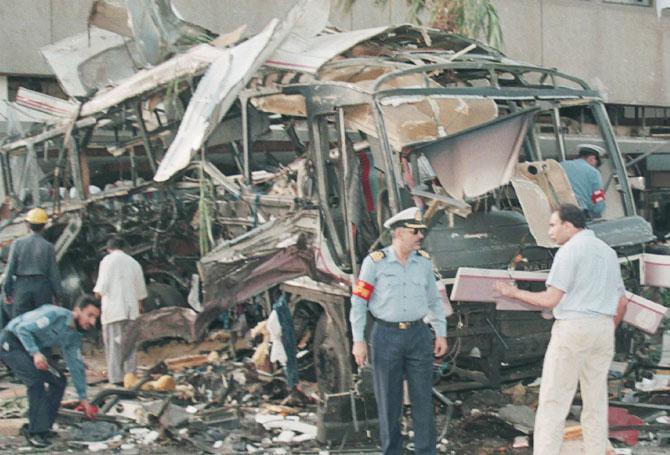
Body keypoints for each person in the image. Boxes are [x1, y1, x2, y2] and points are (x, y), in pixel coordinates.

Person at [495, 204, 628, 455]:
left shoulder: (569, 252)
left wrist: (511, 292)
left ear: (568, 225)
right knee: (596, 400)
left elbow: (549, 300)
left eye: (553, 225)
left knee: (554, 399)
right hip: (603, 329)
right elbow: (623, 302)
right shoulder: (608, 252)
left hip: (573, 328)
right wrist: (604, 327)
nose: (550, 231)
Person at [350, 207, 448, 455]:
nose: (420, 237)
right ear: (399, 233)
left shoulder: (424, 262)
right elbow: (359, 302)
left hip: (418, 335)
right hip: (386, 337)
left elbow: (434, 301)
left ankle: (426, 451)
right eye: (415, 232)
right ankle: (392, 451)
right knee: (389, 401)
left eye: (421, 232)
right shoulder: (374, 263)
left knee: (423, 399)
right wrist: (358, 340)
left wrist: (440, 332)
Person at [0, 297, 100, 448]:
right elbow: (22, 329)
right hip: (12, 342)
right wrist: (35, 353)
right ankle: (34, 432)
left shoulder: (74, 335)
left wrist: (83, 398)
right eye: (90, 315)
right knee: (35, 381)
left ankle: (44, 427)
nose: (92, 322)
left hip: (33, 351)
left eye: (95, 318)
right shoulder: (53, 314)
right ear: (77, 310)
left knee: (59, 379)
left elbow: (76, 365)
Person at [93, 237, 147, 385]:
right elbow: (141, 292)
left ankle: (116, 380)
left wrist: (95, 297)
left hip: (113, 311)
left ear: (108, 249)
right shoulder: (133, 262)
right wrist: (140, 306)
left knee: (113, 348)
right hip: (132, 311)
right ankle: (130, 378)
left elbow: (101, 289)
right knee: (129, 347)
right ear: (123, 247)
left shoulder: (107, 261)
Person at [3, 207, 64, 319]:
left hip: (22, 289)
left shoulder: (17, 244)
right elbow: (54, 274)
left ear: (28, 224)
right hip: (42, 290)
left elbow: (9, 270)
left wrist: (7, 292)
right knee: (42, 324)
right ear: (44, 225)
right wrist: (58, 296)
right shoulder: (48, 247)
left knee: (20, 324)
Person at [560, 144, 606, 218]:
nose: (594, 166)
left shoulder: (561, 165)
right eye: (596, 164)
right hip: (579, 214)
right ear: (592, 158)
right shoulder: (593, 172)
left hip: (559, 212)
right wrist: (598, 210)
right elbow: (598, 201)